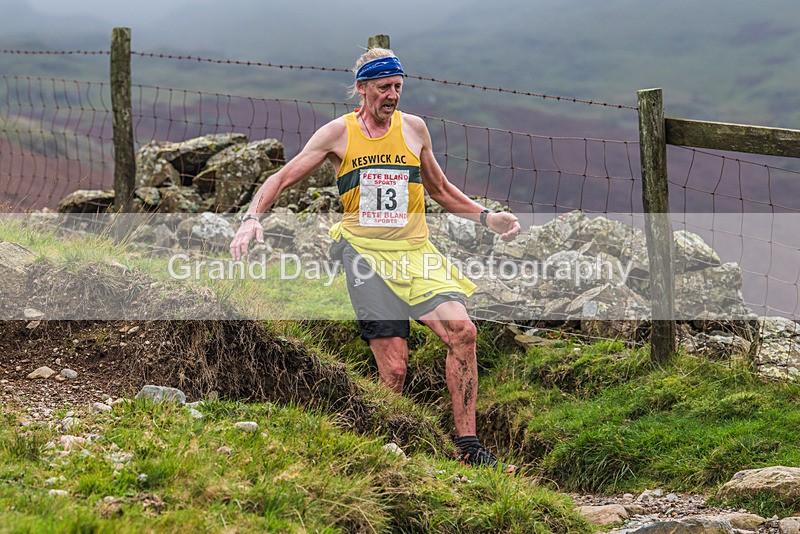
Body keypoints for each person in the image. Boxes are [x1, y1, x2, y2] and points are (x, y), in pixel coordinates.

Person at [230, 48, 521, 473]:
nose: (392, 95)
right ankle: (378, 450)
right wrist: (251, 218)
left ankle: (469, 447)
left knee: (463, 332)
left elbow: (439, 189)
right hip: (365, 255)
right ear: (362, 88)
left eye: (398, 87)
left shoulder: (415, 129)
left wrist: (486, 217)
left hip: (416, 254)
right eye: (384, 87)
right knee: (396, 369)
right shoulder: (338, 134)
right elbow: (281, 177)